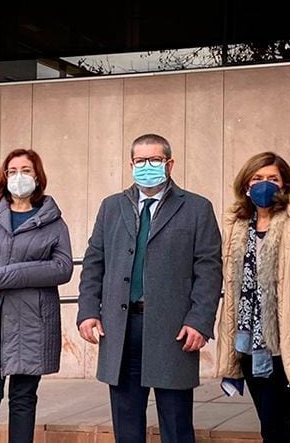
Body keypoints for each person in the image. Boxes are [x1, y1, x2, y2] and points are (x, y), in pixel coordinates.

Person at [77, 133, 223, 443]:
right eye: (140, 161)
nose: (147, 166)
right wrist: (88, 312)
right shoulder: (111, 207)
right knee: (126, 423)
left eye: (154, 160)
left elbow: (208, 270)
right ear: (131, 164)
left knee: (176, 423)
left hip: (173, 331)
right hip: (120, 329)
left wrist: (199, 320)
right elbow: (94, 264)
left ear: (169, 164)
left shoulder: (197, 208)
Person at [216, 151, 290, 443]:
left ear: (284, 185)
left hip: (289, 340)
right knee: (273, 421)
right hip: (247, 344)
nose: (264, 184)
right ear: (246, 183)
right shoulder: (237, 222)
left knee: (274, 421)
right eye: (257, 178)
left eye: (272, 178)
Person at [0, 149, 74, 443]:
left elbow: (62, 268)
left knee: (23, 400)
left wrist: (10, 275)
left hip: (31, 324)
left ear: (37, 175)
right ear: (4, 176)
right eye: (12, 171)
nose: (18, 176)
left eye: (25, 169)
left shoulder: (52, 220)